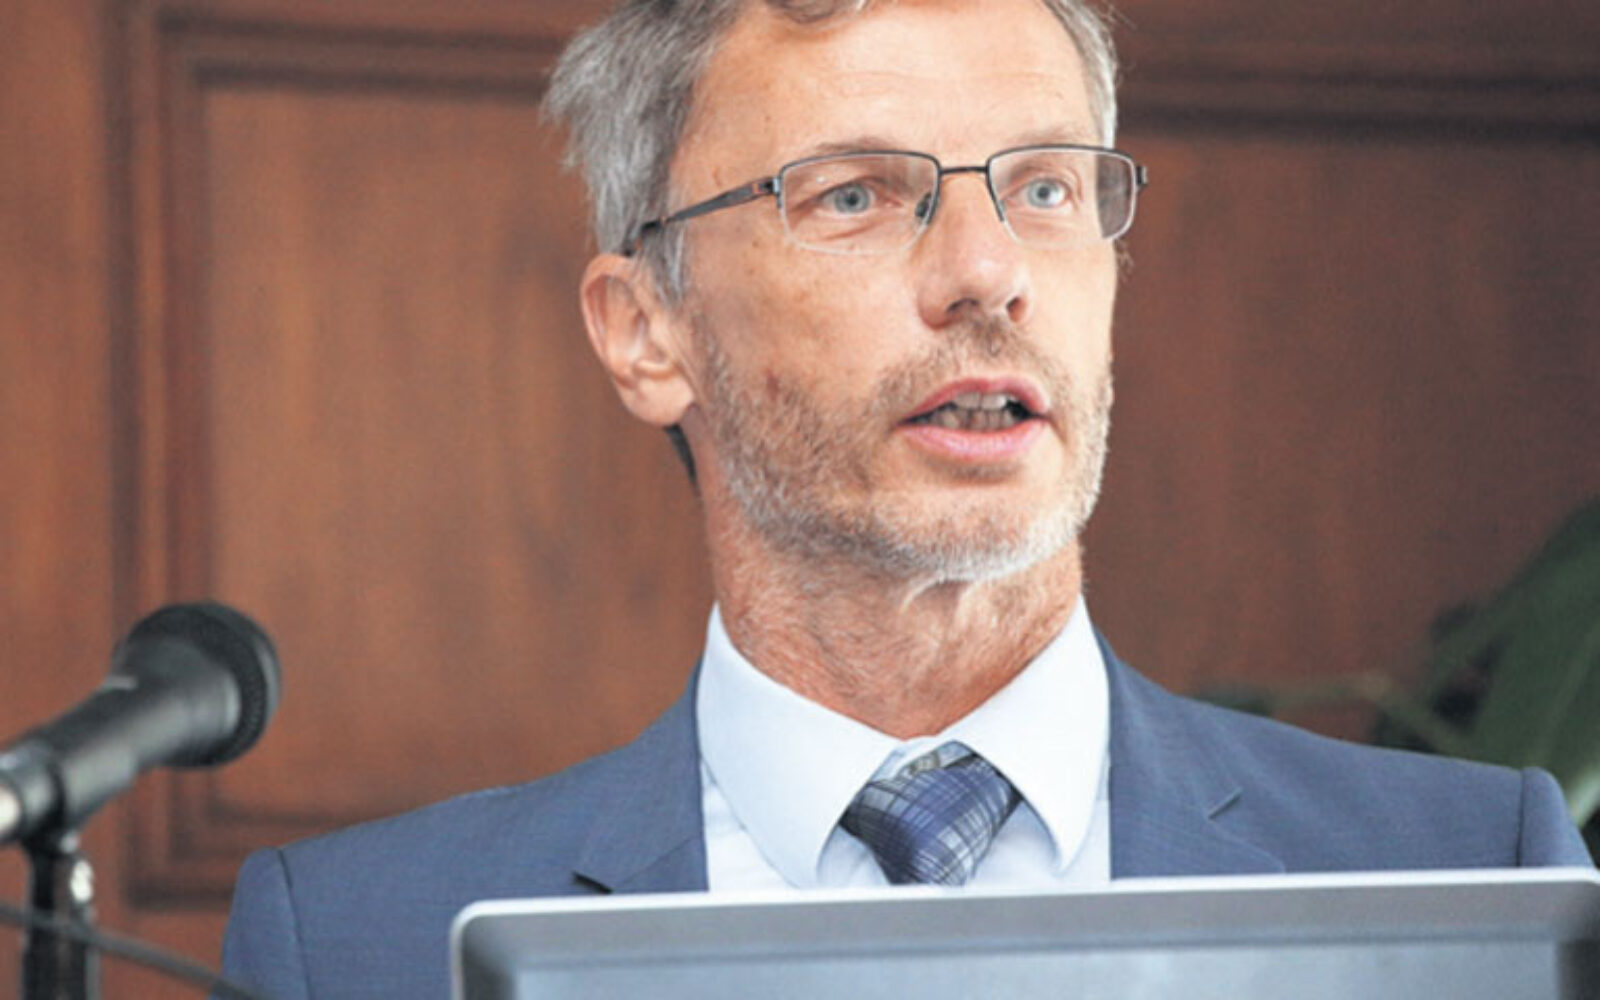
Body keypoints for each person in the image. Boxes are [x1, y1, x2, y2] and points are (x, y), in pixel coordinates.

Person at [218, 0, 1593, 996]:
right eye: (857, 197)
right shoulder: (360, 948)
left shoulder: (1476, 872)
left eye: (1044, 186)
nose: (989, 272)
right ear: (646, 333)